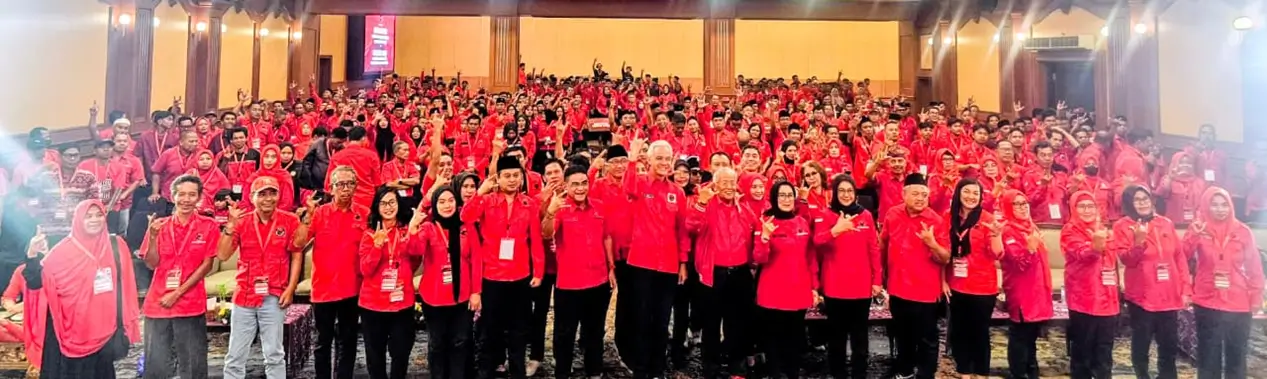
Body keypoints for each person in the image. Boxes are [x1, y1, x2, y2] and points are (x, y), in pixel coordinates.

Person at [23, 200, 141, 378]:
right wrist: (32, 254)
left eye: (99, 215)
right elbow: (35, 282)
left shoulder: (116, 246)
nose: (95, 220)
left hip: (105, 332)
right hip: (71, 333)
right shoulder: (62, 251)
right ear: (78, 220)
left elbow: (127, 286)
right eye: (88, 216)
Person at [462, 149, 545, 379]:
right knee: (490, 332)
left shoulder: (529, 204)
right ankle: (486, 372)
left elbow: (536, 240)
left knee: (519, 332)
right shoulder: (487, 201)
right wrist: (480, 191)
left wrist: (538, 271)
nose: (512, 180)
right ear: (497, 178)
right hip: (492, 277)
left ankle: (517, 373)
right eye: (506, 175)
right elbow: (466, 216)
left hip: (520, 277)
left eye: (515, 175)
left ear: (521, 177)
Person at [216, 176, 304, 379]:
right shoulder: (242, 221)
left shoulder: (290, 220)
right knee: (235, 355)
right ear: (252, 197)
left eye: (272, 193)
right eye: (262, 194)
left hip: (274, 294)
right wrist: (230, 225)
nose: (268, 198)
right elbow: (222, 255)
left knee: (274, 353)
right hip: (245, 294)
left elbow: (296, 254)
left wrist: (291, 289)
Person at [621, 138, 690, 379]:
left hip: (669, 265)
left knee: (661, 321)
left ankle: (657, 368)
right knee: (641, 319)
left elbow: (682, 230)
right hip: (642, 264)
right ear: (649, 160)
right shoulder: (640, 184)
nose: (663, 163)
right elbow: (627, 189)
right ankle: (640, 369)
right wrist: (631, 159)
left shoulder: (677, 192)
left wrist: (683, 262)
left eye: (666, 158)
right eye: (658, 158)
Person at [139, 175, 219, 379]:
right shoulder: (159, 225)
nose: (186, 199)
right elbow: (151, 263)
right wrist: (154, 237)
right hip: (158, 304)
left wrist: (177, 293)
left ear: (199, 198)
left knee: (193, 365)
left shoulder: (208, 225)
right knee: (156, 366)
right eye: (181, 194)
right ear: (172, 196)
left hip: (190, 303)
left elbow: (207, 265)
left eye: (192, 194)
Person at [685, 167, 759, 377]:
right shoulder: (706, 204)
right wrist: (701, 203)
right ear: (715, 185)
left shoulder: (743, 208)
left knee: (737, 321)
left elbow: (757, 228)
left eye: (731, 182)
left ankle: (736, 365)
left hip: (740, 272)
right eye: (724, 182)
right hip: (713, 272)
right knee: (711, 322)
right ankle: (711, 366)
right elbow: (691, 226)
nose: (728, 187)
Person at [294, 166, 366, 379]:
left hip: (353, 288)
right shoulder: (319, 213)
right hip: (324, 288)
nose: (345, 189)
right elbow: (299, 243)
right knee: (323, 341)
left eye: (350, 183)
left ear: (356, 186)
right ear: (331, 188)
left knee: (348, 340)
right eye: (340, 184)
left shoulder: (364, 213)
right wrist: (307, 215)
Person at [542, 164, 613, 379]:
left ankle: (595, 371)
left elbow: (607, 237)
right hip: (569, 284)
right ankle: (562, 372)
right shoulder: (560, 209)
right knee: (565, 333)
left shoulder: (600, 207)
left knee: (594, 331)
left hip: (598, 281)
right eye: (575, 184)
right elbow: (546, 234)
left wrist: (612, 268)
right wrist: (551, 211)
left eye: (584, 183)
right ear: (566, 185)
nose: (580, 188)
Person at [1184, 187, 1263, 379]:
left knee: (1236, 356)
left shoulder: (1242, 231)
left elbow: (1254, 267)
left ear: (1231, 206)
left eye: (1224, 205)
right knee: (1209, 356)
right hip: (1207, 301)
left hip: (1238, 302)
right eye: (1215, 205)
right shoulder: (1199, 228)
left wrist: (1256, 296)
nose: (1220, 209)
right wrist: (1193, 235)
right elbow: (1182, 258)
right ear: (1206, 206)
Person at [1110, 185, 1185, 379]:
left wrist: (1185, 288)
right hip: (1142, 296)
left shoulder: (1166, 223)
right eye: (1137, 199)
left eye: (1145, 198)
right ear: (1129, 203)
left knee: (1168, 344)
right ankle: (1142, 375)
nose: (1142, 202)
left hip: (1169, 294)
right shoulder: (1122, 226)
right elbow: (1126, 260)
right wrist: (1139, 242)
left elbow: (1179, 258)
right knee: (1141, 343)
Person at [880, 173, 948, 379]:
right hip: (898, 288)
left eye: (924, 195)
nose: (920, 198)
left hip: (925, 291)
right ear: (904, 194)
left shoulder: (935, 220)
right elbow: (883, 244)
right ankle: (905, 371)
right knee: (903, 335)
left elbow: (945, 257)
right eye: (916, 194)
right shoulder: (892, 214)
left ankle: (926, 374)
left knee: (927, 338)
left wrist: (931, 243)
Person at [814, 175, 881, 379]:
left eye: (849, 191)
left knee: (860, 338)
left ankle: (859, 374)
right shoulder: (825, 214)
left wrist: (877, 279)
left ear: (855, 194)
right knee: (837, 337)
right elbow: (816, 242)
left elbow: (874, 249)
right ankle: (838, 374)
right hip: (835, 286)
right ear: (835, 193)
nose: (845, 195)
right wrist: (835, 230)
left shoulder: (866, 216)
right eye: (841, 191)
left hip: (861, 286)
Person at [413, 184, 481, 379]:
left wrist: (476, 291)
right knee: (437, 344)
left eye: (451, 200)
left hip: (462, 295)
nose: (447, 205)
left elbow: (476, 258)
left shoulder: (466, 226)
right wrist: (413, 228)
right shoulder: (428, 227)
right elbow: (415, 251)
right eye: (441, 201)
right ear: (435, 205)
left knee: (460, 341)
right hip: (434, 297)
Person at [753, 181, 820, 379]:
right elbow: (758, 259)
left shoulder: (801, 222)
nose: (786, 199)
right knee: (773, 336)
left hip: (797, 289)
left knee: (794, 335)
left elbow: (810, 258)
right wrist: (765, 237)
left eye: (790, 195)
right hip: (771, 290)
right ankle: (774, 373)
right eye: (781, 195)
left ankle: (792, 372)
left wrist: (814, 287)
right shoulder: (765, 221)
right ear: (774, 198)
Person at [945, 179, 1004, 379]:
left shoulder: (987, 219)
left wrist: (996, 235)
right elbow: (944, 253)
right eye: (967, 192)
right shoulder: (949, 218)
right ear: (959, 194)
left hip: (982, 287)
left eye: (975, 193)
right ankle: (964, 372)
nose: (971, 196)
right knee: (960, 333)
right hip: (956, 284)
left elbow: (997, 254)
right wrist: (942, 281)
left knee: (979, 334)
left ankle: (981, 374)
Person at [358, 187, 417, 379]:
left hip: (402, 303)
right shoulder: (368, 234)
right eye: (383, 203)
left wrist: (403, 275)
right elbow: (365, 270)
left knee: (401, 353)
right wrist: (377, 246)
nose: (388, 207)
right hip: (373, 305)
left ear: (399, 205)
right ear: (377, 207)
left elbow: (416, 259)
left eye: (392, 202)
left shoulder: (407, 231)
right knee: (375, 357)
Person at [1062, 191, 1119, 379]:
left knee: (1104, 350)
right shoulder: (1069, 231)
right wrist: (1094, 247)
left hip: (1107, 299)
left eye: (1090, 206)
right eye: (1082, 206)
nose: (1087, 210)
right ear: (1074, 209)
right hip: (1083, 299)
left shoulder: (1104, 230)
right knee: (1082, 352)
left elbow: (1112, 263)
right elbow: (1081, 254)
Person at [999, 189, 1054, 379]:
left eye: (1025, 203)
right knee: (1020, 335)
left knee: (1031, 335)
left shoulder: (1031, 226)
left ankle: (1031, 369)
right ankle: (1019, 373)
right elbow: (1018, 264)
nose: (1023, 208)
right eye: (1017, 204)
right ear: (1008, 206)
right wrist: (1030, 248)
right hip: (1022, 290)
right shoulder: (1007, 230)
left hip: (1037, 288)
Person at [328, 126, 380, 210]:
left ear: (348, 139)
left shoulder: (337, 156)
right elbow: (377, 182)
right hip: (367, 199)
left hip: (343, 198)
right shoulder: (372, 156)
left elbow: (328, 183)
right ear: (364, 138)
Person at [150, 130, 200, 215]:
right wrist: (155, 193)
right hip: (170, 197)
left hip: (191, 198)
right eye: (191, 141)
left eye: (196, 141)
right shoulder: (168, 154)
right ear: (181, 142)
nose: (195, 144)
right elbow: (156, 172)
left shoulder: (200, 154)